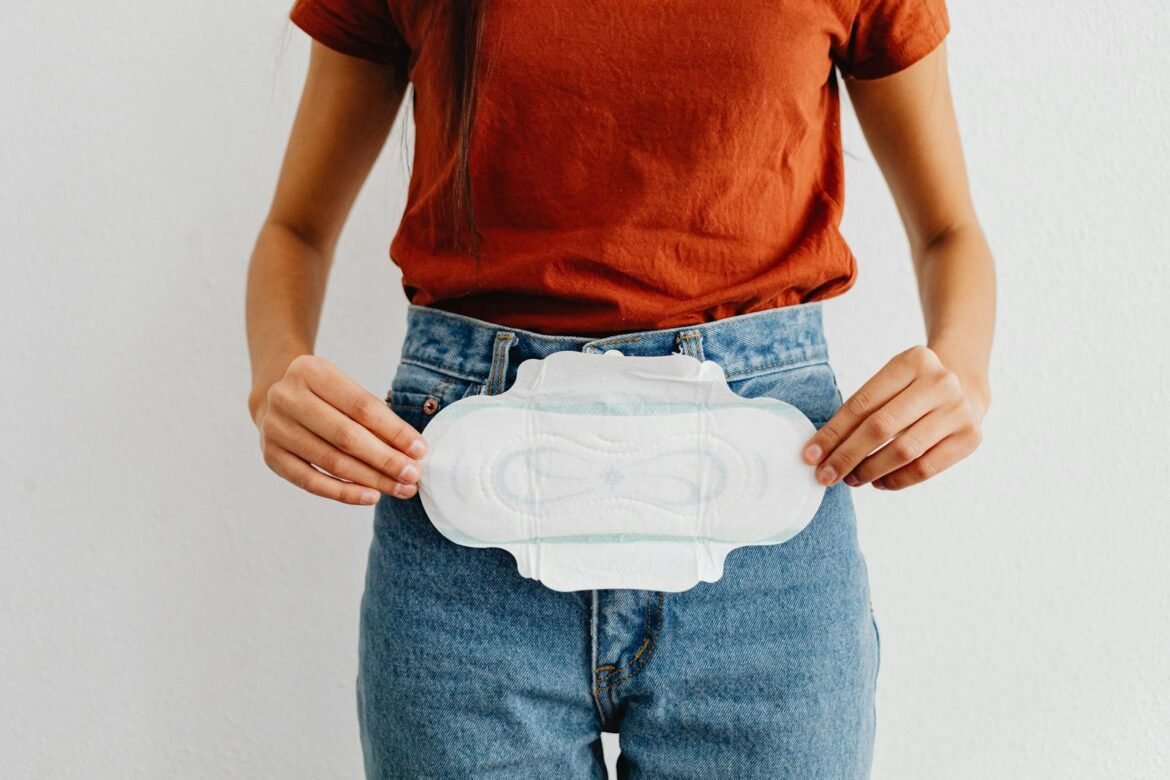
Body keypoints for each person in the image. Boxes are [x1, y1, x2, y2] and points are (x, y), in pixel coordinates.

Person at [245, 1, 994, 776]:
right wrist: (273, 377)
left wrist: (965, 370)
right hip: (465, 540)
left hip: (766, 533)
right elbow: (295, 228)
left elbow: (951, 232)